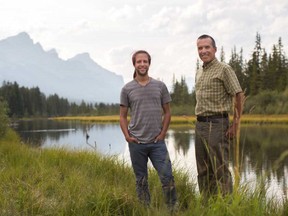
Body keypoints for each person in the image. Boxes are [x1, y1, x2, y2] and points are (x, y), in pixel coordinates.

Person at [119, 50, 177, 209]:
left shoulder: (160, 86)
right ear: (134, 64)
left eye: (145, 61)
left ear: (149, 64)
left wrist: (163, 133)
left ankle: (172, 210)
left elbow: (167, 112)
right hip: (136, 143)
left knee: (167, 177)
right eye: (139, 62)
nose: (142, 64)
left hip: (157, 143)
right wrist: (127, 136)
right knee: (141, 181)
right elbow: (122, 116)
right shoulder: (127, 89)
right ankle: (145, 210)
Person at [194, 34, 244, 198]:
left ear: (214, 49)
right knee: (202, 169)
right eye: (200, 48)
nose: (203, 51)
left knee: (220, 169)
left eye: (207, 47)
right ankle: (206, 204)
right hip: (200, 125)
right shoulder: (199, 71)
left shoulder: (224, 69)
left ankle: (226, 206)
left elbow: (238, 94)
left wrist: (236, 124)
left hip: (217, 124)